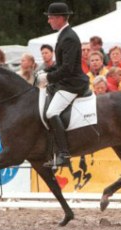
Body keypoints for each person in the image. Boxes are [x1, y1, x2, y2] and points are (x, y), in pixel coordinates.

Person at [38, 2, 89, 168]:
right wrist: (45, 72)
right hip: (65, 81)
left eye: (50, 18)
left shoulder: (69, 37)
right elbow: (61, 64)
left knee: (52, 112)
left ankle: (64, 154)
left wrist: (48, 78)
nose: (48, 21)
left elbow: (67, 69)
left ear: (60, 18)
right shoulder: (63, 34)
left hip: (72, 83)